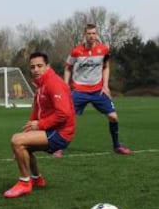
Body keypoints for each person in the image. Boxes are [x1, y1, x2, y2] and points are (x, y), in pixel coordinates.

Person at [52, 23, 131, 158]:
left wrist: (105, 85)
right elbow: (68, 68)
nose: (91, 36)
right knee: (66, 118)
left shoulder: (104, 50)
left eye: (94, 33)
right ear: (85, 35)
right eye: (89, 33)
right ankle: (58, 147)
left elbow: (106, 67)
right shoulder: (76, 51)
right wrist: (65, 86)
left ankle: (117, 146)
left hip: (98, 91)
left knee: (113, 117)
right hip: (79, 91)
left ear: (97, 34)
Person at [4, 52, 75, 198]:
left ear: (47, 67)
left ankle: (25, 183)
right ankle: (37, 179)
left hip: (61, 133)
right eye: (32, 67)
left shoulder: (54, 83)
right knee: (21, 144)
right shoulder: (40, 86)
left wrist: (40, 125)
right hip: (51, 130)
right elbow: (35, 114)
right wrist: (25, 136)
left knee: (17, 141)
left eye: (39, 66)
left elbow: (64, 114)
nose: (35, 69)